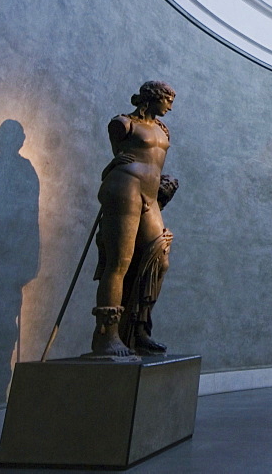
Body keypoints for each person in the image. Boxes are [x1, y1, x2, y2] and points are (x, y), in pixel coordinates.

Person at [91, 81, 178, 357]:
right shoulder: (122, 123)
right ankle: (106, 335)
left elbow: (153, 161)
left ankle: (138, 329)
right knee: (120, 262)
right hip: (125, 187)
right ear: (152, 98)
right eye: (167, 99)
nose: (170, 105)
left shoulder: (164, 130)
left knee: (158, 260)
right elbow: (120, 157)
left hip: (150, 196)